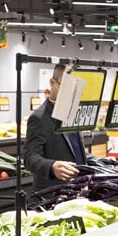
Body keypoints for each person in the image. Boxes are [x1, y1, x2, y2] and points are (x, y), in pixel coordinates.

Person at [24, 63, 95, 191]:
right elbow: (30, 157)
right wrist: (52, 166)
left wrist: (101, 162)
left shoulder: (72, 112)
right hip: (53, 193)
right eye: (66, 87)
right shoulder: (39, 118)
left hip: (77, 189)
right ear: (52, 83)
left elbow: (74, 151)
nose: (71, 93)